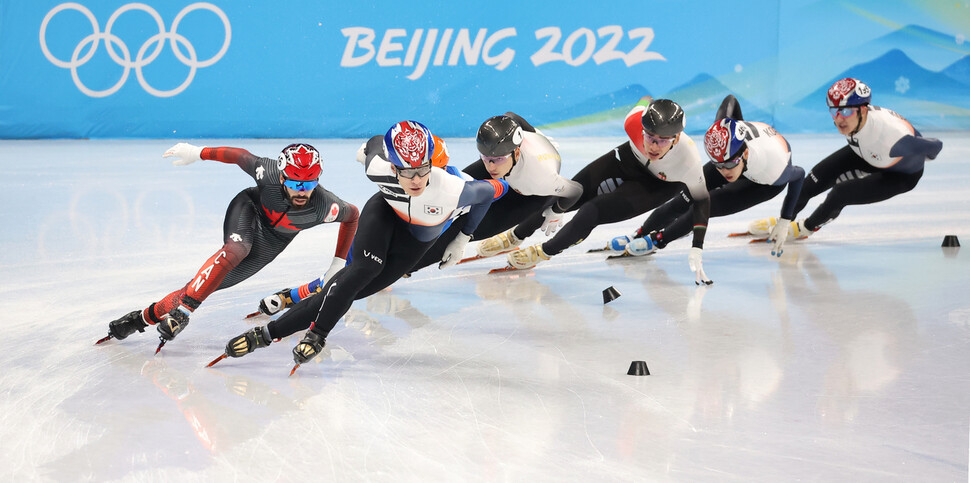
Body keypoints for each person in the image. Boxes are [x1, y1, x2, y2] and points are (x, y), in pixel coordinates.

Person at [216, 121, 508, 369]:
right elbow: (374, 144)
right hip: (384, 212)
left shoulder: (455, 189)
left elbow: (497, 190)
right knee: (359, 272)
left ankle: (268, 332)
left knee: (353, 291)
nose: (415, 180)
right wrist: (367, 151)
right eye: (405, 172)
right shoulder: (378, 167)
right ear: (392, 166)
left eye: (422, 170)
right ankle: (305, 335)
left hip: (417, 240)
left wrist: (463, 237)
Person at [251, 112, 582, 316]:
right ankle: (310, 292)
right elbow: (511, 118)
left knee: (436, 242)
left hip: (530, 194)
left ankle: (512, 235)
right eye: (485, 158)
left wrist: (550, 213)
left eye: (495, 159)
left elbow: (570, 192)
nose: (488, 164)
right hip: (489, 182)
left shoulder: (536, 176)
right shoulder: (467, 170)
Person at [98, 142, 359, 350]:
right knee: (237, 249)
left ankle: (140, 318)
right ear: (281, 177)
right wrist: (198, 153)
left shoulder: (325, 205)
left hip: (274, 240)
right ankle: (183, 312)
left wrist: (337, 262)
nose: (302, 191)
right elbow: (238, 155)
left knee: (210, 282)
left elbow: (353, 216)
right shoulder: (266, 172)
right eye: (294, 183)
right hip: (249, 209)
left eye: (309, 183)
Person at [504, 96, 714, 285]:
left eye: (663, 141)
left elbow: (702, 200)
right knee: (568, 193)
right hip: (628, 159)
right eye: (649, 137)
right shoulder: (633, 123)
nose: (654, 146)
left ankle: (543, 252)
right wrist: (648, 102)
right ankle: (516, 235)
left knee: (592, 210)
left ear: (676, 139)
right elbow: (645, 99)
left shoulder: (688, 160)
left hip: (658, 185)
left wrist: (697, 245)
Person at [748, 78, 943, 241]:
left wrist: (928, 155)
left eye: (847, 111)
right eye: (834, 111)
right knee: (811, 182)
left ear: (863, 110)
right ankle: (785, 219)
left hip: (900, 175)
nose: (839, 119)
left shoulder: (892, 138)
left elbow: (935, 145)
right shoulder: (856, 122)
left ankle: (806, 228)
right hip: (866, 154)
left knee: (841, 193)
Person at [613, 95, 805, 257]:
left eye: (727, 165)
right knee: (684, 197)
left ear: (744, 154)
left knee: (706, 205)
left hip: (762, 183)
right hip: (737, 156)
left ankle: (657, 241)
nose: (724, 172)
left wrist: (786, 218)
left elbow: (799, 174)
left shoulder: (772, 170)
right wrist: (730, 135)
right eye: (717, 165)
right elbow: (730, 100)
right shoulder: (722, 143)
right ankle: (641, 233)